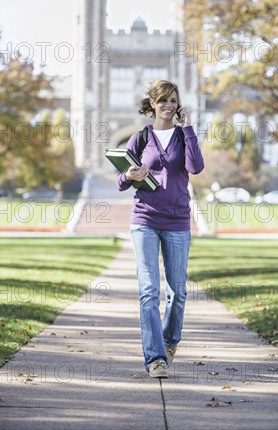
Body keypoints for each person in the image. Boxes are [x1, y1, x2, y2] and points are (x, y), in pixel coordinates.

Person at [116, 80, 204, 378]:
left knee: (178, 292)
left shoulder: (183, 135)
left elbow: (195, 167)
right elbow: (120, 181)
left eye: (173, 100)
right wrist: (130, 173)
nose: (168, 105)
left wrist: (189, 127)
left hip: (178, 220)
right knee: (149, 290)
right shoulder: (140, 138)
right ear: (152, 103)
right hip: (145, 219)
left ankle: (169, 343)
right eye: (163, 100)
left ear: (178, 105)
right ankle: (155, 358)